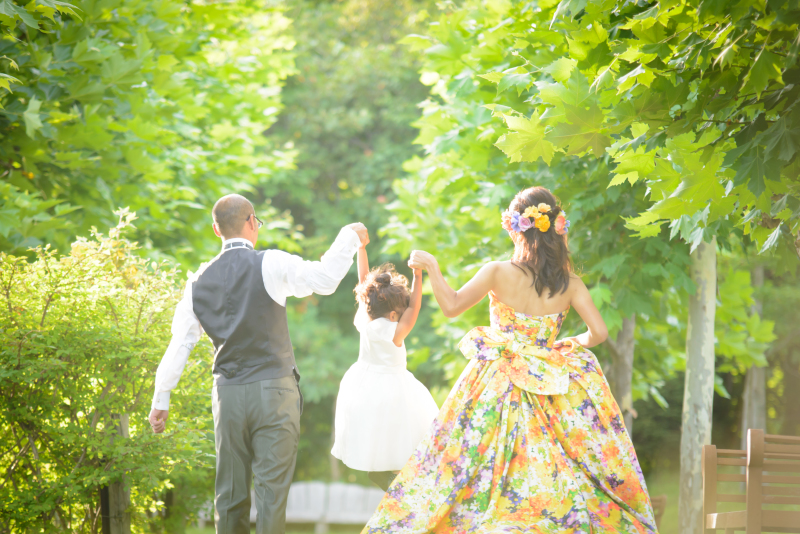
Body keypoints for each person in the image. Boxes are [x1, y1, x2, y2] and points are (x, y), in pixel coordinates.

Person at [362, 186, 657, 533]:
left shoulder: (498, 272)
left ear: (517, 227)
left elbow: (452, 306)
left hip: (495, 383)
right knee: (557, 464)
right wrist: (567, 343)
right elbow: (599, 334)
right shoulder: (571, 284)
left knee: (462, 462)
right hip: (551, 389)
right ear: (555, 230)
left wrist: (431, 267)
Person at [147, 194, 368, 534]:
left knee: (230, 496)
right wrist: (350, 236)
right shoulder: (271, 263)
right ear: (251, 221)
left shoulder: (196, 284)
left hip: (228, 395)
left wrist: (161, 399)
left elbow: (180, 344)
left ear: (216, 229)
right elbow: (324, 280)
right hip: (274, 392)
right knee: (270, 496)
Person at [331, 240, 439, 491]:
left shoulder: (366, 320)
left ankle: (381, 472)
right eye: (401, 313)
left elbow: (363, 282)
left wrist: (360, 249)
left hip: (364, 384)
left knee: (379, 430)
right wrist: (417, 275)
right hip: (392, 388)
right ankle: (391, 475)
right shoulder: (395, 331)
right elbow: (415, 306)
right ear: (394, 315)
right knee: (407, 435)